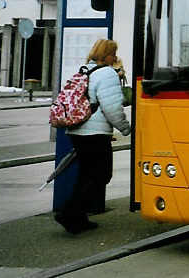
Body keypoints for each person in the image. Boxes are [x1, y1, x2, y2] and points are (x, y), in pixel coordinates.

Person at [54, 39, 131, 234]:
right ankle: (69, 212)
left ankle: (78, 219)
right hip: (95, 133)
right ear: (107, 55)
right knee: (101, 174)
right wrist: (126, 128)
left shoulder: (84, 70)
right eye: (113, 54)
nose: (115, 57)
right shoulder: (107, 73)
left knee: (85, 174)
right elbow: (112, 107)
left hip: (77, 130)